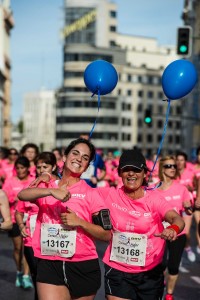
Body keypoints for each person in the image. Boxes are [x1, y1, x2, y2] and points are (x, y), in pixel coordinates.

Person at [17, 138, 111, 300]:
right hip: (49, 262)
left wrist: (80, 222)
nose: (79, 159)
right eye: (75, 153)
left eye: (85, 157)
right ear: (64, 157)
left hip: (83, 264)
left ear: (87, 166)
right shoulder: (47, 185)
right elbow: (23, 195)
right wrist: (51, 191)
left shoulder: (92, 194)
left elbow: (107, 234)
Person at [97, 148, 185, 300]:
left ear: (144, 173)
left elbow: (177, 219)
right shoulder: (110, 194)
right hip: (118, 271)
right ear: (120, 173)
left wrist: (173, 228)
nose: (131, 174)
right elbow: (80, 192)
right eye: (126, 170)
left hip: (149, 274)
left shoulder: (154, 199)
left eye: (136, 170)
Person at [15, 151, 58, 300]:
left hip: (53, 239)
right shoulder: (30, 188)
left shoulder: (59, 186)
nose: (41, 170)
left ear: (53, 167)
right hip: (31, 239)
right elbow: (18, 211)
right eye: (38, 167)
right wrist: (21, 226)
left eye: (45, 166)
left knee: (49, 280)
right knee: (37, 277)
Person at [157, 155, 192, 300]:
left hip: (178, 232)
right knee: (161, 264)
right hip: (161, 233)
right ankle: (160, 285)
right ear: (161, 169)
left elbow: (188, 211)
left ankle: (169, 294)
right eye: (168, 166)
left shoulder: (181, 188)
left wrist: (189, 208)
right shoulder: (155, 190)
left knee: (173, 266)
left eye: (174, 166)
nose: (172, 168)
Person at [2, 156, 34, 289]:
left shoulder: (33, 180)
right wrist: (13, 198)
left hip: (30, 218)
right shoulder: (10, 181)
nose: (20, 171)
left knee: (27, 248)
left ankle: (26, 276)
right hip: (15, 218)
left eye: (23, 168)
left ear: (27, 168)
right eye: (18, 168)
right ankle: (19, 271)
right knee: (17, 248)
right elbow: (3, 197)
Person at [175, 151, 196, 262]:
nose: (179, 162)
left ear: (185, 161)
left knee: (186, 232)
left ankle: (187, 248)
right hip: (175, 207)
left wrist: (191, 189)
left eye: (182, 160)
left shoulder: (191, 173)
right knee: (176, 231)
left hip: (187, 206)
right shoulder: (172, 173)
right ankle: (177, 253)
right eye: (177, 160)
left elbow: (196, 187)